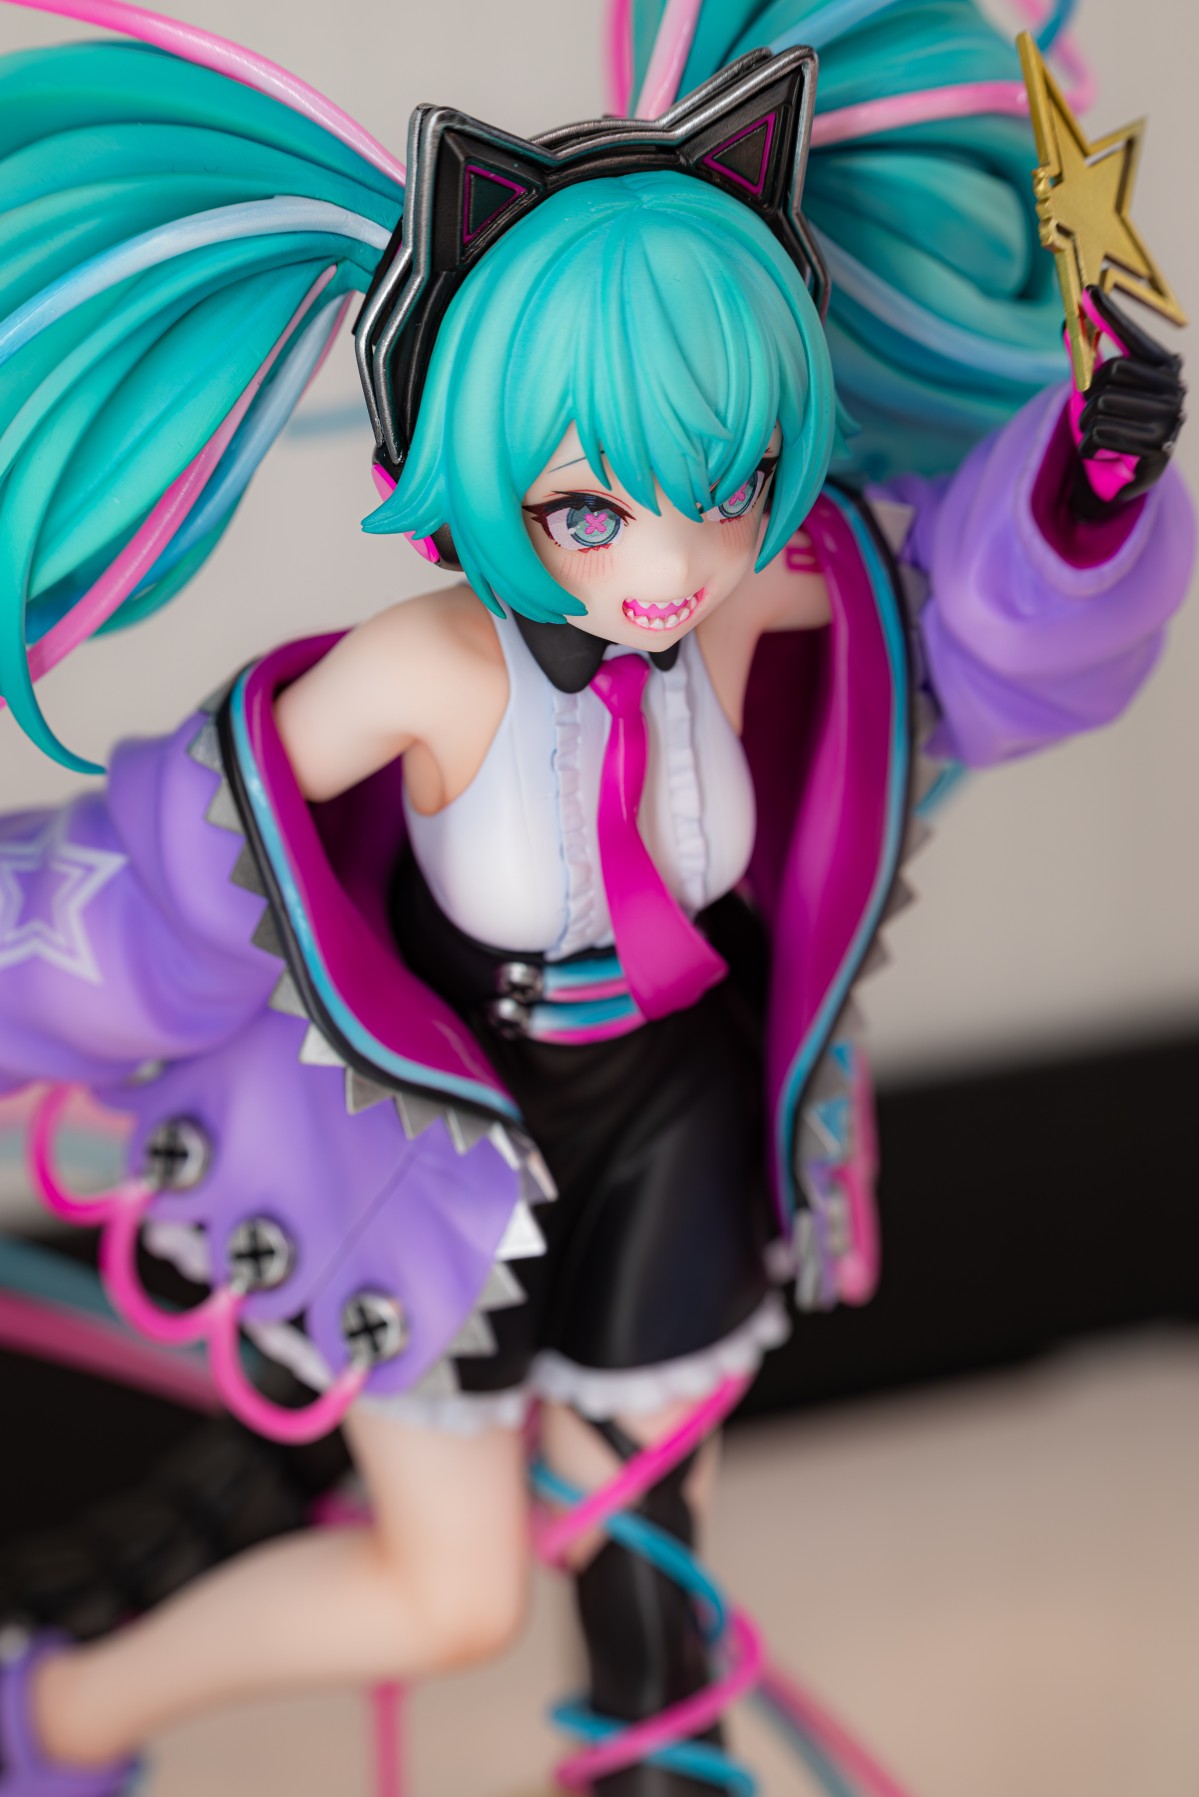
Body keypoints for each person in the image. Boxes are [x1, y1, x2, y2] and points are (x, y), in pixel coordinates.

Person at [0, 2, 1190, 1793]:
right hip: (433, 1138)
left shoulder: (756, 593)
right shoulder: (426, 670)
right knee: (454, 1594)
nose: (671, 566)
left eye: (725, 490)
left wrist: (1085, 488)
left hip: (676, 1106)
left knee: (647, 1541)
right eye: (588, 510)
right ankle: (59, 1716)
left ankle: (657, 1765)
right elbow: (185, 840)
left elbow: (968, 625)